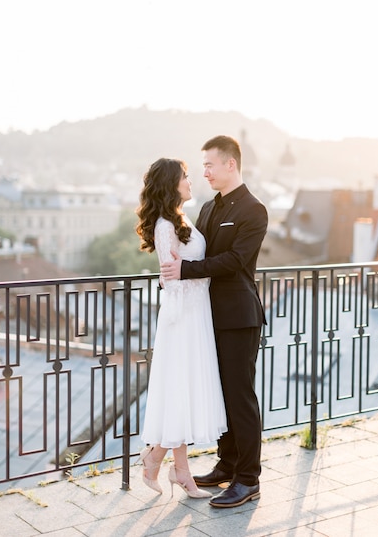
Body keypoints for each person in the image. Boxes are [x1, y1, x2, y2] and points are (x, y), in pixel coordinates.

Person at [160, 135, 268, 508]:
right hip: (207, 316)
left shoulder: (254, 210)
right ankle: (227, 465)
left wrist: (184, 269)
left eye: (209, 164)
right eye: (202, 166)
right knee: (222, 395)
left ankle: (249, 478)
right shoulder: (206, 208)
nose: (204, 171)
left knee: (240, 397)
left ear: (230, 165)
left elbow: (235, 261)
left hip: (239, 317)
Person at [135, 157, 227, 499]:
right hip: (183, 318)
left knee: (183, 393)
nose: (191, 181)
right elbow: (171, 280)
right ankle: (171, 467)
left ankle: (166, 463)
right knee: (180, 390)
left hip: (196, 312)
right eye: (186, 176)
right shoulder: (164, 226)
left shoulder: (181, 218)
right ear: (172, 182)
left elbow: (183, 268)